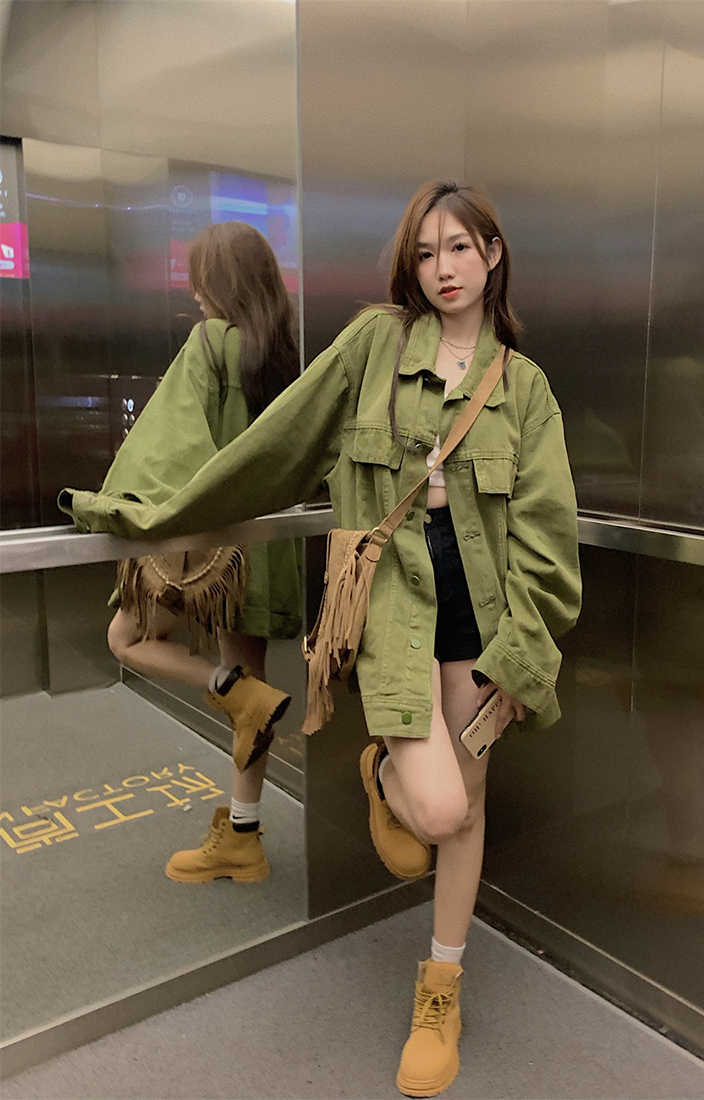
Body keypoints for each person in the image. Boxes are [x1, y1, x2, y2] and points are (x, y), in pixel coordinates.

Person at [61, 182, 581, 1096]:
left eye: (460, 248)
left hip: (484, 608)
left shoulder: (526, 388)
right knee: (437, 811)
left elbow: (547, 541)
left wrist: (521, 655)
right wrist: (148, 512)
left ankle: (442, 987)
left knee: (470, 800)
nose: (444, 269)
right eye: (426, 253)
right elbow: (278, 443)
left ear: (493, 254)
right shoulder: (377, 343)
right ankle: (382, 772)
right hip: (393, 598)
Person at [101, 221, 302, 885]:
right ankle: (243, 834)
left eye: (199, 281)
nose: (193, 294)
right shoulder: (284, 355)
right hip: (269, 548)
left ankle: (225, 690)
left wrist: (116, 506)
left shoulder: (209, 342)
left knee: (127, 639)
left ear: (220, 284)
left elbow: (168, 445)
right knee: (255, 694)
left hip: (213, 554)